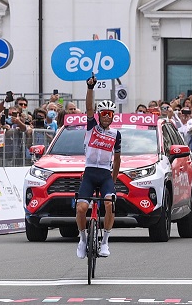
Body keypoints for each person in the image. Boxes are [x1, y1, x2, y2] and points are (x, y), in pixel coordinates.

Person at [76, 74, 121, 259]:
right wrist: (90, 88)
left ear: (112, 116)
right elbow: (88, 107)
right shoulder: (91, 126)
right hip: (89, 172)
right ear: (99, 115)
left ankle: (105, 242)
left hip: (105, 175)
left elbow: (117, 159)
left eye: (109, 114)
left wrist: (113, 181)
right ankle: (83, 239)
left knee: (110, 204)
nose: (106, 117)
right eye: (103, 114)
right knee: (80, 208)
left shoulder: (116, 134)